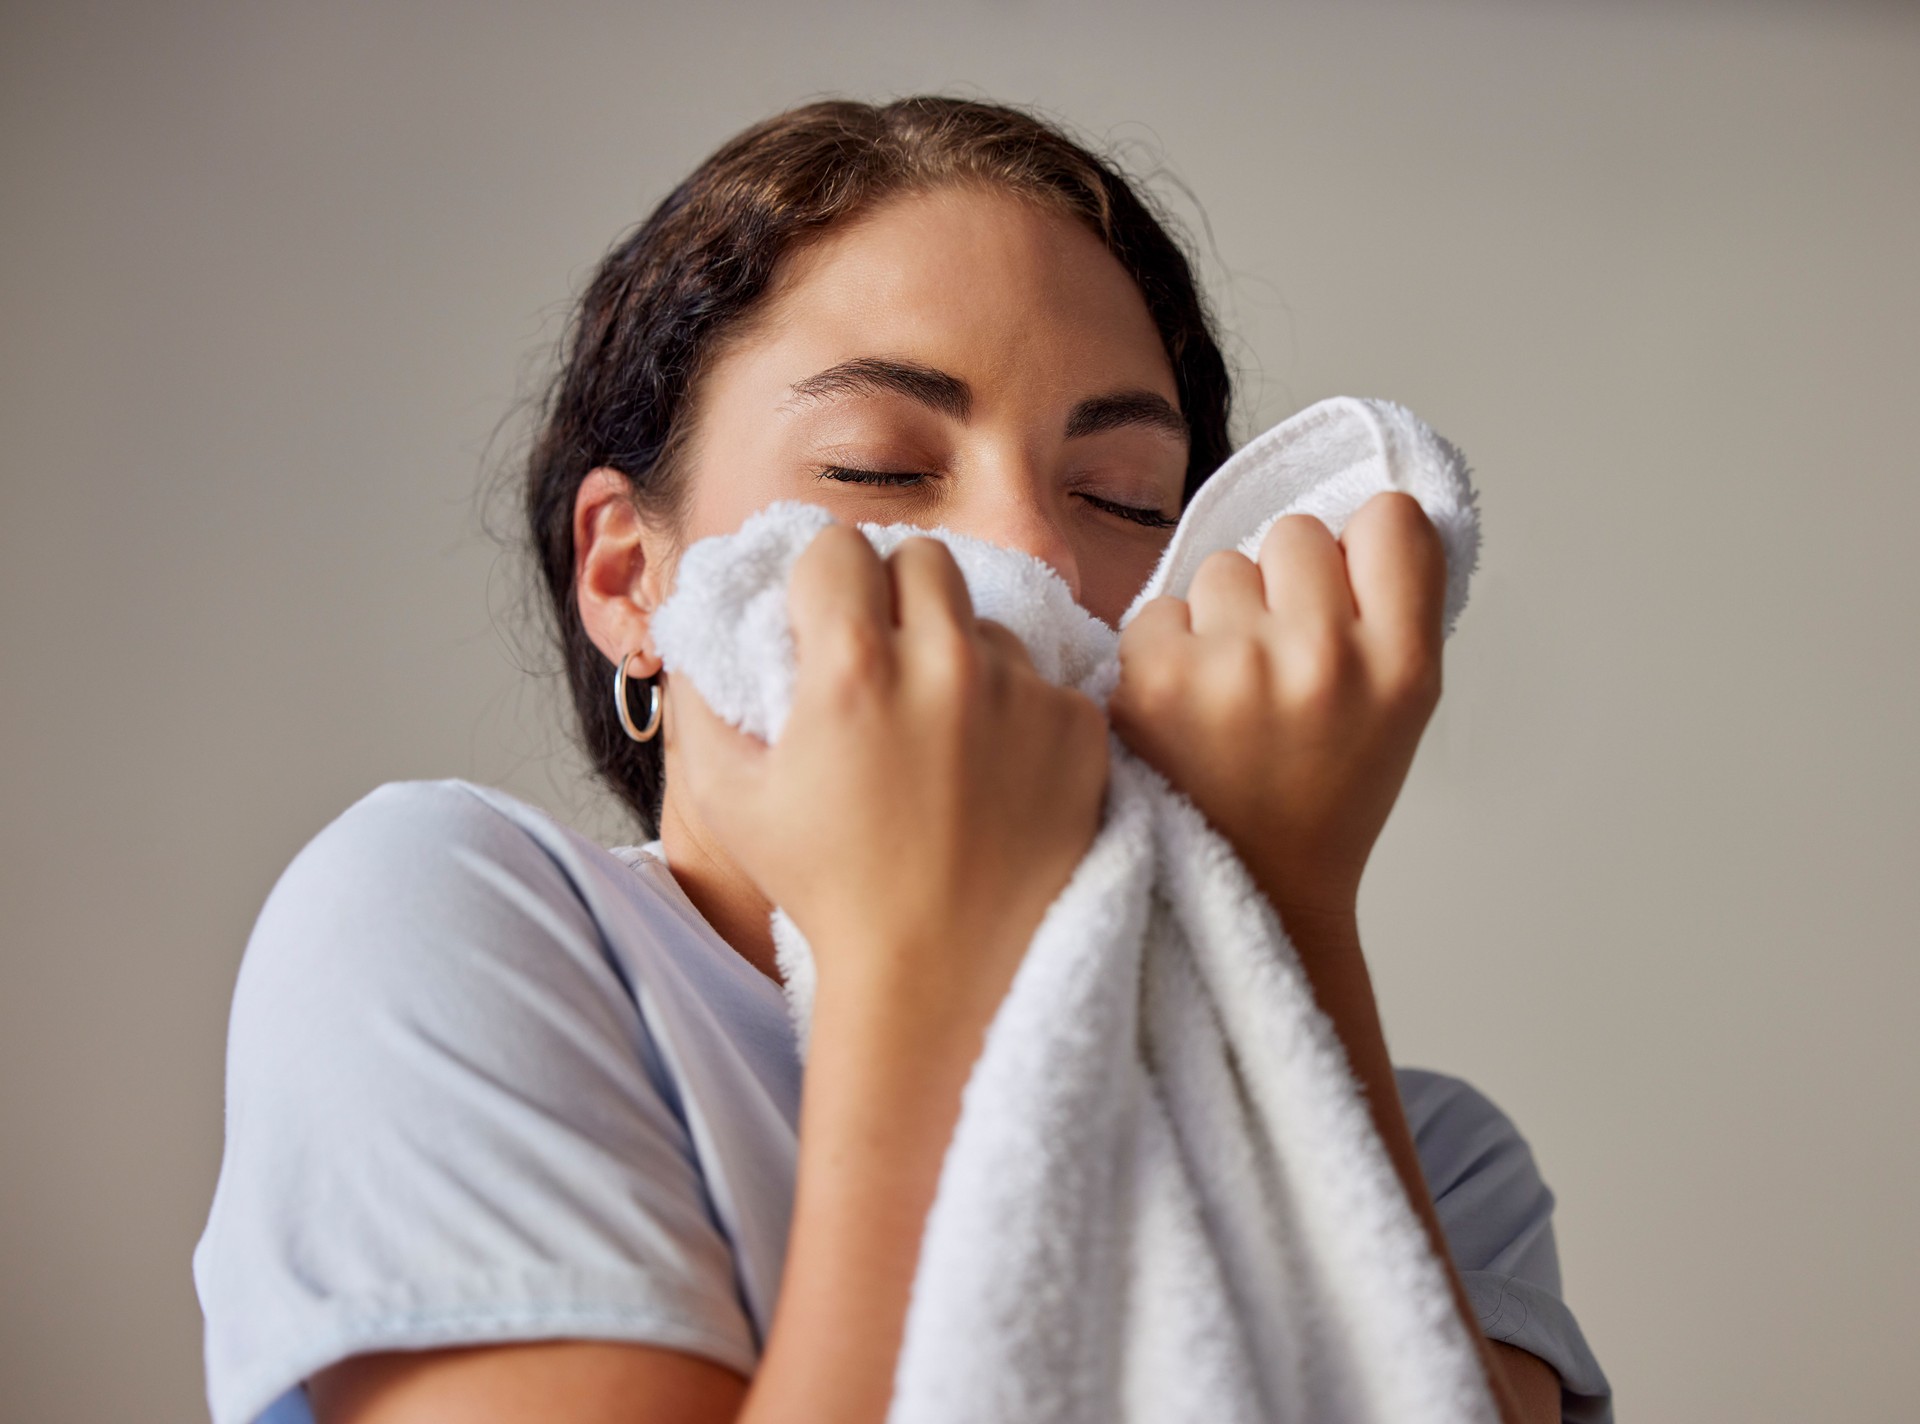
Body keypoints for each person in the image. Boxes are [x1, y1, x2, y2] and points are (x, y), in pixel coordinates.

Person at [194, 96, 1613, 1424]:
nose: (1034, 554)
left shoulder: (1437, 1161)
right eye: (879, 466)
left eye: (1121, 495)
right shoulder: (452, 927)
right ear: (630, 578)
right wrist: (916, 968)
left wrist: (1286, 914)